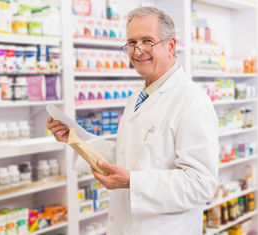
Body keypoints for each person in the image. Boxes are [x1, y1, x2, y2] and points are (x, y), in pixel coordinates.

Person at [47, 6, 219, 235]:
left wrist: (133, 182)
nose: (138, 51)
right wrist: (75, 138)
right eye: (131, 42)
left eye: (147, 41)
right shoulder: (138, 98)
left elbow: (201, 184)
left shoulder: (192, 101)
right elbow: (127, 154)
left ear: (171, 46)